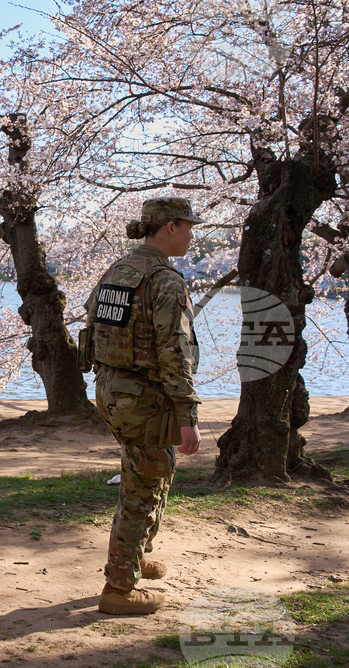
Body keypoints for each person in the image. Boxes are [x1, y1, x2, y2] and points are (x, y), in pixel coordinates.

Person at [80, 196, 204, 615]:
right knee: (143, 486)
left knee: (150, 473)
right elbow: (174, 351)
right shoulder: (165, 280)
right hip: (148, 397)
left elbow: (93, 325)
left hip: (113, 390)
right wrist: (188, 416)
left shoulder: (119, 270)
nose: (192, 233)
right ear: (169, 227)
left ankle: (134, 558)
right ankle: (119, 589)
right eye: (188, 225)